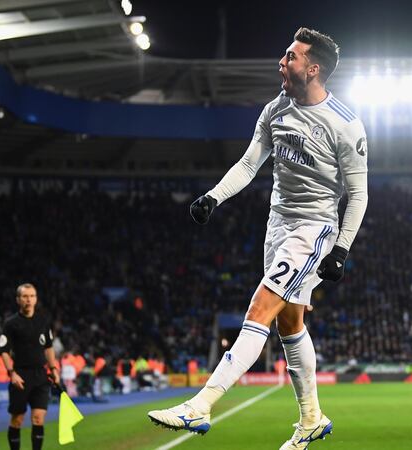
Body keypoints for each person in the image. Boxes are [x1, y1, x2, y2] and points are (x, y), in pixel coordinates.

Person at [148, 26, 368, 450]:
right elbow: (250, 164)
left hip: (314, 228)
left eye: (291, 57)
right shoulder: (275, 109)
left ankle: (201, 404)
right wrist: (213, 197)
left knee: (260, 307)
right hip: (277, 224)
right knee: (290, 323)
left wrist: (341, 248)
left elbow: (358, 194)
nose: (281, 62)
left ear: (313, 68)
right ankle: (311, 419)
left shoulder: (345, 124)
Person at [0, 283, 60, 450]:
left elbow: (48, 347)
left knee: (38, 418)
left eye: (32, 296)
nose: (28, 300)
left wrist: (53, 369)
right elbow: (4, 351)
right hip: (20, 375)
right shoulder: (11, 323)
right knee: (17, 420)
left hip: (41, 376)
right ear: (18, 299)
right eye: (25, 296)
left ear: (36, 299)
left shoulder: (43, 321)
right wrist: (12, 373)